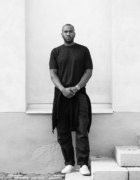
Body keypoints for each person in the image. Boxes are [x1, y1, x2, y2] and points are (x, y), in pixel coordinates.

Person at [49, 24, 93, 176]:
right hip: (61, 96)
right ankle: (69, 163)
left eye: (70, 31)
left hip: (79, 95)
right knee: (63, 131)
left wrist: (77, 87)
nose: (68, 34)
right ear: (61, 34)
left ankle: (83, 164)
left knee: (82, 129)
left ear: (75, 33)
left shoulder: (83, 50)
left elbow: (89, 71)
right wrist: (63, 89)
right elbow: (53, 73)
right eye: (65, 32)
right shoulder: (56, 52)